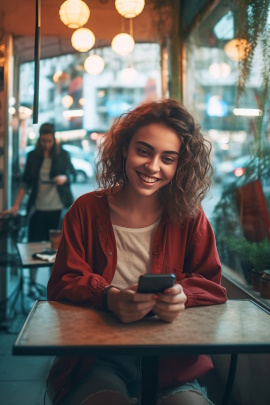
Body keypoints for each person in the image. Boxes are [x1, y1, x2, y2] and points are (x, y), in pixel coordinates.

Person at [46, 99, 227, 405]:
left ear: (180, 165)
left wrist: (182, 294)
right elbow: (62, 282)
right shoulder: (86, 210)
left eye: (168, 158)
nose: (152, 166)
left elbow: (212, 284)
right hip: (98, 357)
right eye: (143, 151)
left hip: (172, 361)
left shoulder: (190, 216)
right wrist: (109, 297)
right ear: (124, 149)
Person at [1, 123, 76, 297]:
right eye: (43, 141)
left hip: (58, 208)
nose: (47, 144)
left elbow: (72, 174)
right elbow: (26, 182)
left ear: (54, 139)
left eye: (49, 141)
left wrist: (64, 178)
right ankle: (32, 285)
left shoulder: (63, 154)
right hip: (37, 207)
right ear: (39, 139)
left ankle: (54, 287)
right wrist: (16, 205)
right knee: (34, 247)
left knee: (56, 251)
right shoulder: (32, 156)